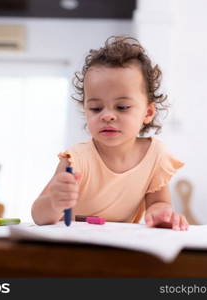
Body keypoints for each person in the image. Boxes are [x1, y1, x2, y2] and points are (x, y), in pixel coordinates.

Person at [32, 36, 188, 230]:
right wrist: (54, 202)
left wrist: (161, 214)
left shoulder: (156, 156)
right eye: (96, 108)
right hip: (73, 246)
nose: (107, 116)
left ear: (147, 113)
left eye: (122, 107)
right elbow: (39, 215)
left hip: (120, 249)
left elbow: (158, 203)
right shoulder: (77, 159)